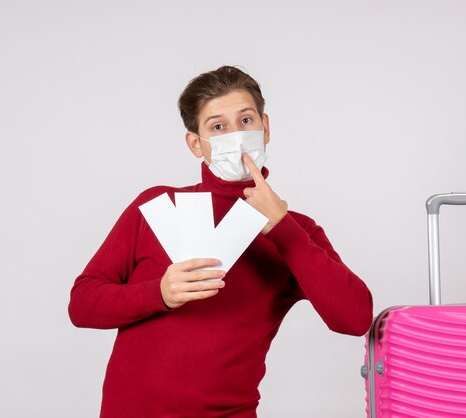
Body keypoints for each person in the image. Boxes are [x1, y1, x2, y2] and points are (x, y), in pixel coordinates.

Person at [68, 65, 373, 418]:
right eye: (218, 127)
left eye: (246, 121)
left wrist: (282, 228)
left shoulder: (295, 231)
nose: (236, 136)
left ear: (265, 127)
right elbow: (82, 304)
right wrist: (159, 293)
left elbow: (354, 318)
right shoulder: (156, 206)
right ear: (196, 144)